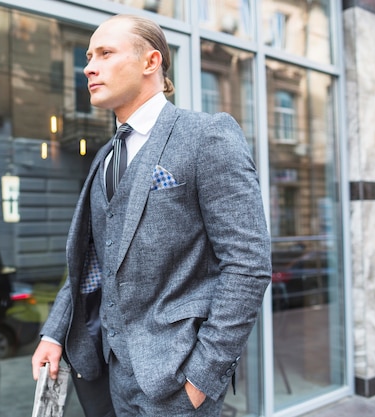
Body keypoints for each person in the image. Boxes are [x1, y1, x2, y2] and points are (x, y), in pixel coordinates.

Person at [31, 14, 271, 417]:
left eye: (106, 53)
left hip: (179, 381)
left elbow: (248, 264)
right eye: (89, 56)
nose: (89, 66)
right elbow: (93, 262)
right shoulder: (105, 158)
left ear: (150, 62)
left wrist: (202, 377)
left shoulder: (206, 135)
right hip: (111, 376)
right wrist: (55, 332)